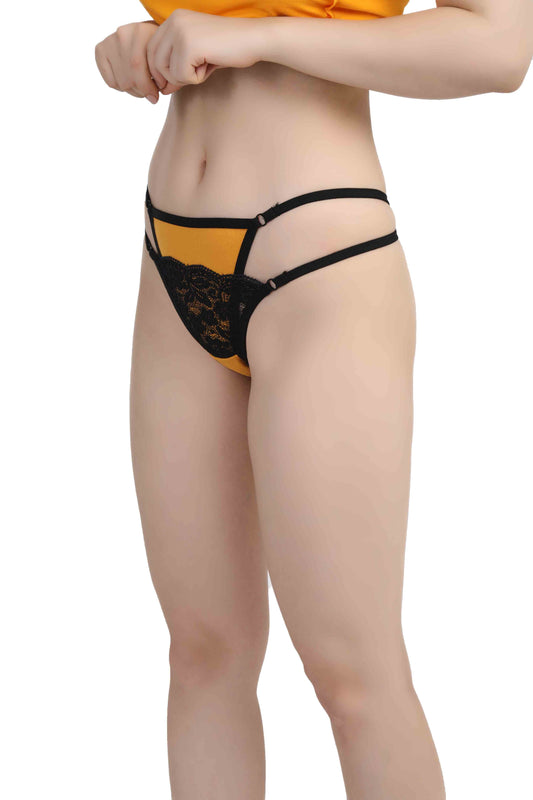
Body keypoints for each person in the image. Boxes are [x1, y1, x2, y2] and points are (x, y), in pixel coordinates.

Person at [94, 1, 531, 797]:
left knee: (353, 676)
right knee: (202, 654)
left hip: (316, 256)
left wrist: (259, 37)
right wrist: (144, 46)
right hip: (170, 250)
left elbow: (499, 47)